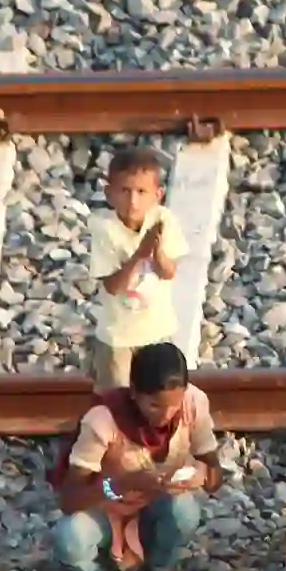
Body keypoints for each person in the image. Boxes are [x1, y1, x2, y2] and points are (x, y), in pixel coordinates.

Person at [51, 341, 223, 571]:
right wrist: (120, 485)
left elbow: (215, 473)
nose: (164, 415)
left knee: (187, 510)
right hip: (105, 509)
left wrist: (204, 476)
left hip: (156, 504)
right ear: (133, 393)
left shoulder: (194, 403)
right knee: (70, 537)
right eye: (154, 404)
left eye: (173, 405)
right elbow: (69, 500)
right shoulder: (103, 422)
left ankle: (163, 566)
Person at [85, 146, 188, 393]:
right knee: (115, 398)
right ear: (109, 194)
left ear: (157, 194)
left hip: (157, 330)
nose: (133, 201)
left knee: (156, 395)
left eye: (142, 192)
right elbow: (112, 286)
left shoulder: (163, 220)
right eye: (125, 191)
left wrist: (157, 251)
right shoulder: (104, 228)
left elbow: (168, 272)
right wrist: (138, 256)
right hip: (118, 336)